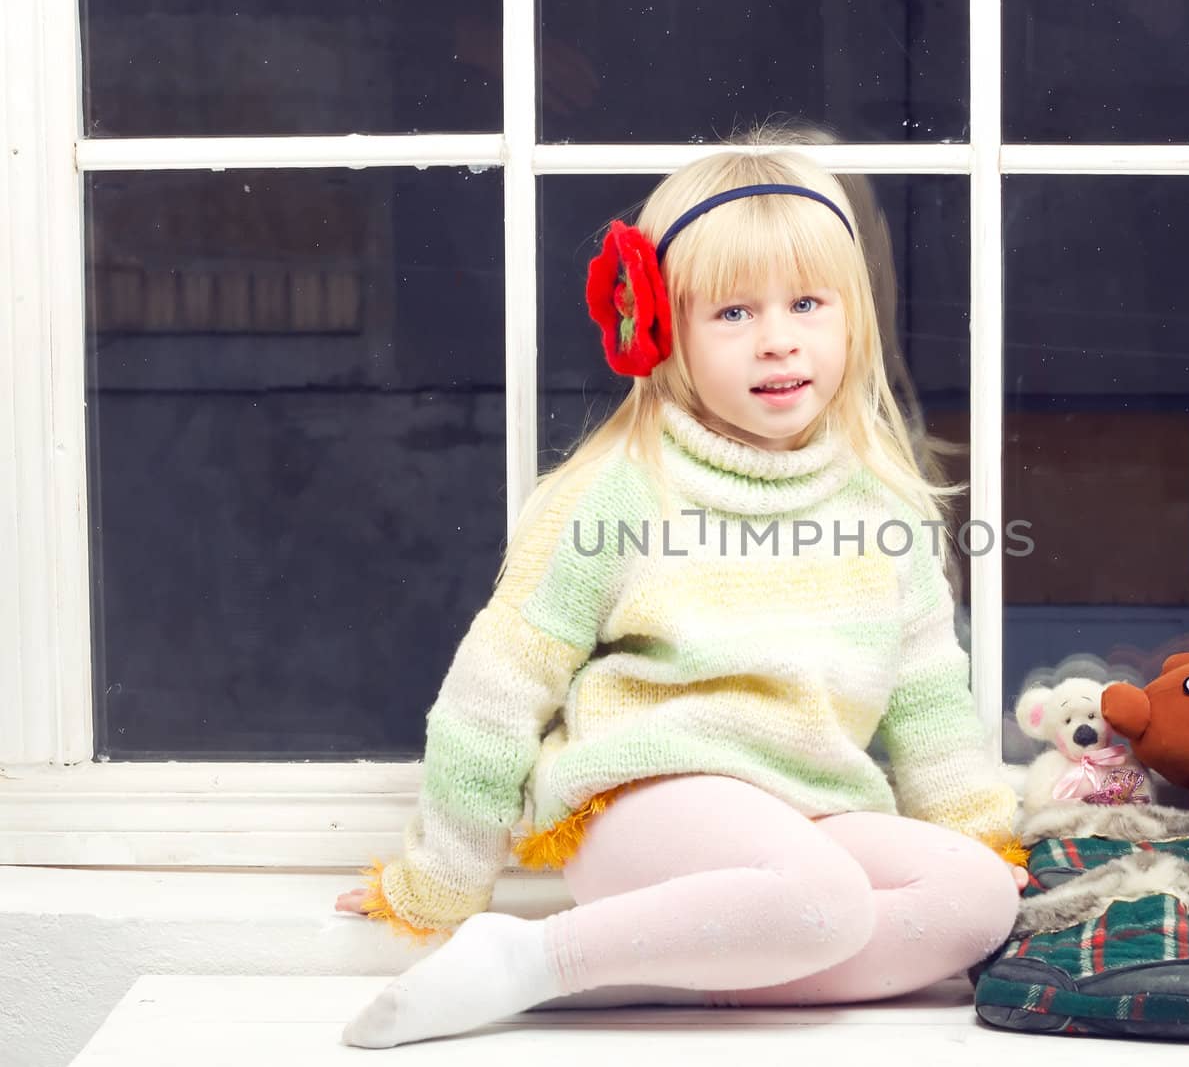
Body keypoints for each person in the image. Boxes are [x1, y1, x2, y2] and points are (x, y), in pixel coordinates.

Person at [335, 141, 1028, 1050]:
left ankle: (668, 969)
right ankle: (531, 959)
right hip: (644, 798)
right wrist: (444, 876)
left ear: (852, 320)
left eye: (807, 304)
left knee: (972, 901)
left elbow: (927, 693)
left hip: (810, 808)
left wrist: (980, 831)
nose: (778, 337)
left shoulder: (880, 502)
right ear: (663, 330)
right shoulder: (622, 490)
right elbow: (497, 690)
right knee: (819, 898)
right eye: (734, 311)